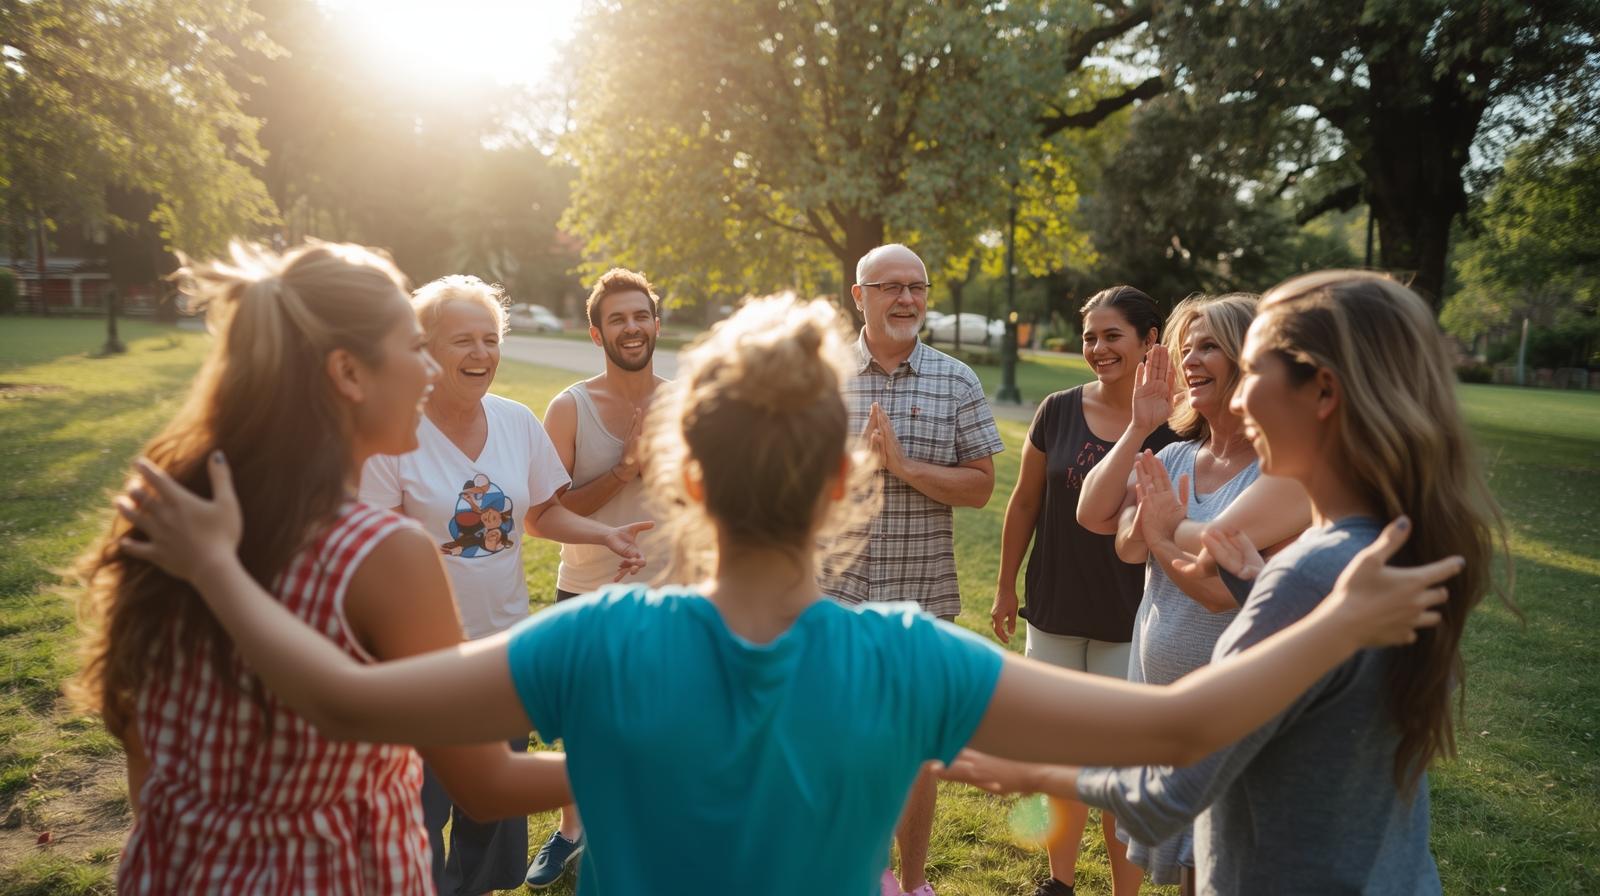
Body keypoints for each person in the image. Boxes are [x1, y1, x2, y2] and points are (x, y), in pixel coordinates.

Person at [117, 291, 1459, 896]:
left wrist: (222, 568)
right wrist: (1335, 619)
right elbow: (1181, 728)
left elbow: (344, 701)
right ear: (843, 486)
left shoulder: (593, 641)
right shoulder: (908, 664)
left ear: (681, 480)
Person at [942, 271, 1509, 895]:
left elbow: (1173, 786)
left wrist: (1028, 769)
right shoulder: (1377, 550)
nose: (1236, 399)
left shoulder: (1317, 572)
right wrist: (1251, 580)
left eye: (1254, 370)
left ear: (1322, 392)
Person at [74, 242, 587, 894]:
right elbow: (484, 785)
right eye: (413, 349)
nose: (429, 372)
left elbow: (142, 750)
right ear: (348, 373)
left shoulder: (181, 514)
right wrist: (642, 757)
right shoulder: (383, 553)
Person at [357, 273, 647, 895]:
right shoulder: (394, 436)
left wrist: (606, 536)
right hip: (420, 662)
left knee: (490, 817)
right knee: (419, 814)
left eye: (490, 339)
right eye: (463, 340)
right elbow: (369, 550)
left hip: (502, 653)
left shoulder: (516, 422)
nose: (482, 354)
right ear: (424, 348)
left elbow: (542, 512)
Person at [826, 243, 1004, 896]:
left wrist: (903, 469)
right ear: (859, 295)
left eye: (917, 287)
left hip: (919, 598)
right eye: (890, 286)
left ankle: (916, 879)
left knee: (916, 757)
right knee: (840, 747)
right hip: (831, 597)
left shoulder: (957, 380)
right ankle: (856, 872)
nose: (906, 299)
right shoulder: (821, 377)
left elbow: (982, 487)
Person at [991, 285, 1177, 896]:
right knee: (1061, 763)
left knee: (1121, 769)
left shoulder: (1179, 426)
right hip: (1054, 609)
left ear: (1150, 340)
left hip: (1133, 618)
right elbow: (1024, 503)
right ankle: (1059, 885)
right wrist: (1004, 587)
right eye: (1090, 336)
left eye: (1112, 336)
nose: (1097, 348)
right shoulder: (1057, 409)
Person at [1079, 293, 1267, 891]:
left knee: (1221, 871)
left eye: (1209, 346)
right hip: (1165, 713)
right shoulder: (1175, 454)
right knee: (1189, 872)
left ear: (1247, 356)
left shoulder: (1274, 472)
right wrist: (1139, 425)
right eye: (1187, 348)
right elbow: (1108, 528)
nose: (1191, 360)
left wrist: (1161, 537)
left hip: (1229, 716)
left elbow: (1220, 591)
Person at [526, 268, 668, 888]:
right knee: (585, 726)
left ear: (656, 324)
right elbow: (539, 516)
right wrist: (622, 472)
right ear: (596, 332)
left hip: (673, 594)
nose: (631, 327)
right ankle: (570, 834)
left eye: (641, 316)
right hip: (587, 592)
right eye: (618, 319)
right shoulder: (570, 408)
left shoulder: (689, 404)